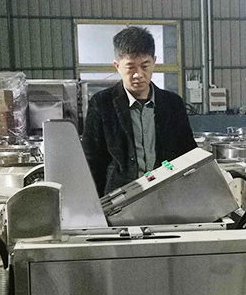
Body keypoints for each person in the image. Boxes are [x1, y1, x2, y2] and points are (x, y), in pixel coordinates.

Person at [82, 26, 196, 196]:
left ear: (154, 62)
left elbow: (189, 152)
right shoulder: (102, 104)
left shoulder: (173, 104)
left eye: (144, 66)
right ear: (117, 66)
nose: (138, 74)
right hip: (120, 199)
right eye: (130, 67)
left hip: (167, 195)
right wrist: (96, 204)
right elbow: (91, 161)